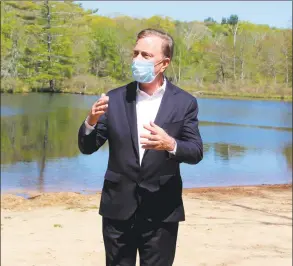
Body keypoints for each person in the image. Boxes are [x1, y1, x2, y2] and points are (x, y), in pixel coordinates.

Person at [78, 28, 203, 266]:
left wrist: (171, 144)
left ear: (164, 63)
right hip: (118, 207)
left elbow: (196, 151)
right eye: (135, 53)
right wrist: (90, 122)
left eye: (146, 55)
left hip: (162, 209)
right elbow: (87, 147)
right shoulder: (114, 99)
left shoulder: (185, 102)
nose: (137, 60)